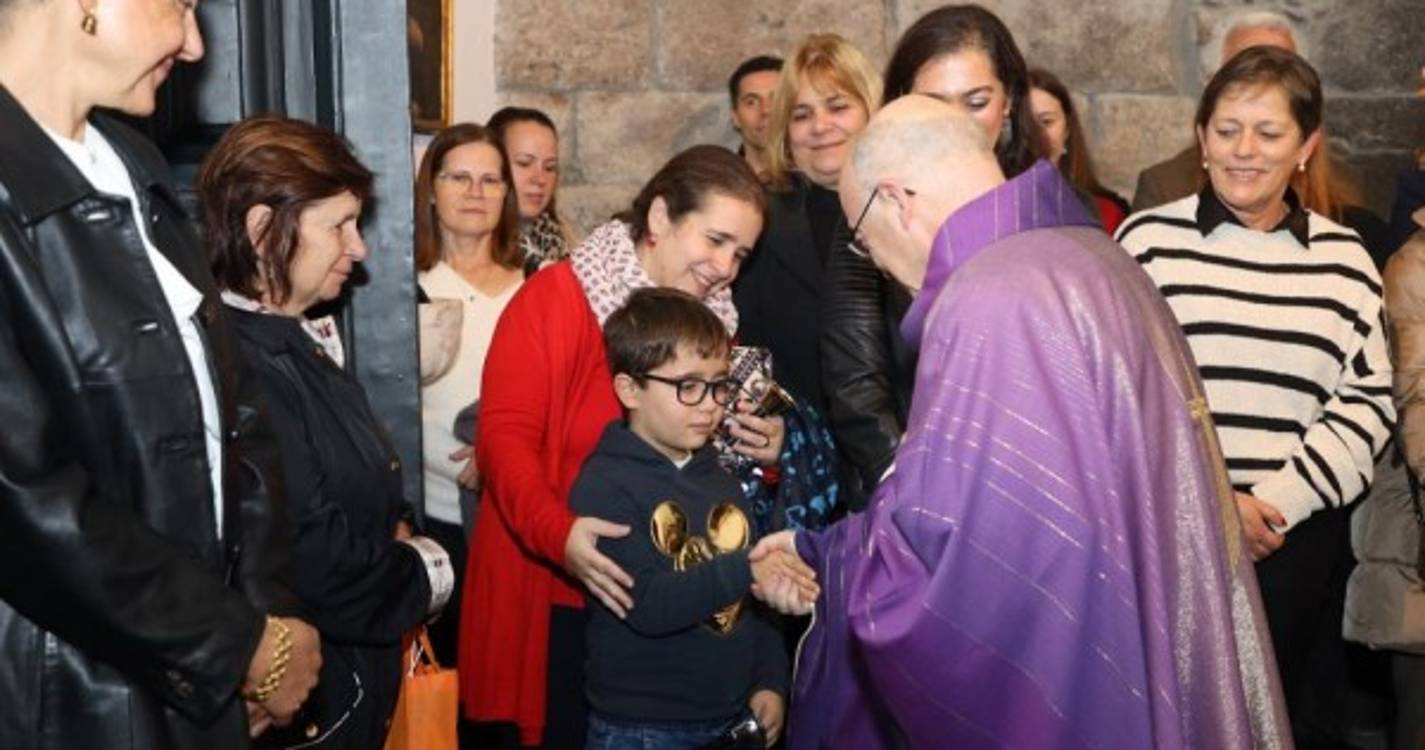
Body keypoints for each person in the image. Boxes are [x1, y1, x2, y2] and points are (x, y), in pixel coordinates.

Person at [757, 94, 1292, 749]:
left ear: (895, 199)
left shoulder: (986, 299)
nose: (882, 268)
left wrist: (823, 558)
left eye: (865, 242)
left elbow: (956, 556)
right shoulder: (1091, 256)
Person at [0, 2, 322, 747]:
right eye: (178, 4)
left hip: (194, 680)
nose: (194, 40)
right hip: (67, 694)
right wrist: (234, 645)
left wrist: (266, 626)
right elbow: (23, 497)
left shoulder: (134, 163)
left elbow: (234, 419)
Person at [459, 145, 786, 748]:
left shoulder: (714, 326)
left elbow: (710, 473)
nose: (726, 266)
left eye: (740, 253)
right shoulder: (558, 299)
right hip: (559, 588)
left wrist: (761, 454)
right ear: (659, 217)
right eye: (714, 240)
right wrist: (558, 532)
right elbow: (504, 442)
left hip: (677, 611)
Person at [1116, 46, 1394, 745]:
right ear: (1199, 137)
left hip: (1291, 539)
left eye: (1268, 133)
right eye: (1226, 128)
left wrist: (1275, 506)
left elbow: (1365, 402)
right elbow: (1123, 388)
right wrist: (1211, 502)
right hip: (1168, 528)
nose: (1243, 150)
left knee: (1285, 724)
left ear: (1305, 147)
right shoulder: (1145, 241)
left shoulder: (1343, 260)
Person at [199, 116, 454, 748]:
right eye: (339, 224)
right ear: (264, 231)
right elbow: (323, 567)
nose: (360, 246)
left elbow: (373, 502)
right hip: (315, 711)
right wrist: (433, 566)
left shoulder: (294, 339)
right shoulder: (245, 366)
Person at [819, 3, 1043, 508]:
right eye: (933, 101)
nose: (953, 121)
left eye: (976, 100)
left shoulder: (1042, 201)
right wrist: (914, 491)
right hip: (903, 485)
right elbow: (854, 379)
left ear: (1008, 102)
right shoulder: (871, 204)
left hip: (1024, 488)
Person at [571, 287, 816, 749]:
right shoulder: (606, 485)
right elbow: (645, 604)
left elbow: (755, 603)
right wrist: (747, 568)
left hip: (731, 717)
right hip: (643, 728)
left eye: (719, 384)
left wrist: (769, 680)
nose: (710, 404)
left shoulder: (720, 478)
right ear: (629, 389)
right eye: (688, 386)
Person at [413, 122, 527, 668]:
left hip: (516, 519)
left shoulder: (536, 287)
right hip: (430, 519)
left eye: (490, 179)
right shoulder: (404, 284)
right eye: (459, 177)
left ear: (507, 193)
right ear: (431, 187)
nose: (476, 192)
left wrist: (496, 452)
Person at [732, 32, 880, 421]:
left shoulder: (909, 205)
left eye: (837, 107)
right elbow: (746, 348)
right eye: (802, 114)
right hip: (801, 454)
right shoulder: (759, 220)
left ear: (871, 111)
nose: (819, 126)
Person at [1029, 67, 1131, 233]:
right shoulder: (996, 211)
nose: (1037, 135)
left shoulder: (1108, 214)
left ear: (1067, 130)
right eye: (1026, 123)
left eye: (1046, 122)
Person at [487, 107, 579, 264]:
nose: (540, 179)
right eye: (524, 163)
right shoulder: (474, 243)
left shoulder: (565, 237)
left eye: (550, 167)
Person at [728, 55, 783, 177]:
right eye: (751, 102)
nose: (766, 110)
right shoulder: (716, 185)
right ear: (735, 117)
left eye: (777, 99)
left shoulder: (825, 184)